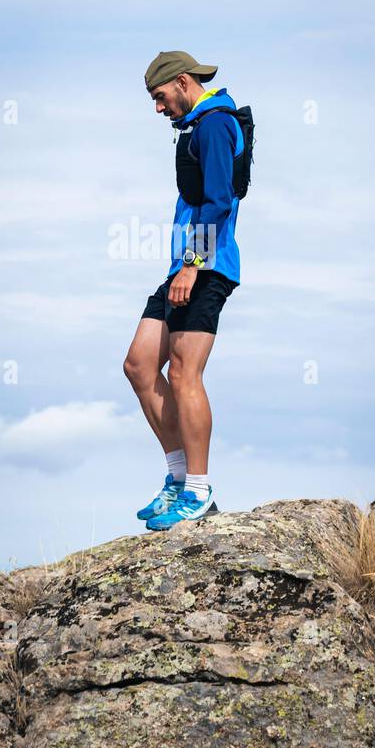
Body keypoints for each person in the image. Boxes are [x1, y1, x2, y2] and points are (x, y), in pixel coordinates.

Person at [123, 50, 245, 529]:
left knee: (183, 373)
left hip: (207, 267)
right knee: (138, 364)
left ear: (182, 82)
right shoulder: (198, 125)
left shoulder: (215, 123)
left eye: (159, 96)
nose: (157, 108)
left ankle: (198, 489)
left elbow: (220, 199)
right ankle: (177, 480)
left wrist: (194, 265)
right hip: (184, 266)